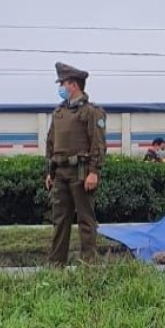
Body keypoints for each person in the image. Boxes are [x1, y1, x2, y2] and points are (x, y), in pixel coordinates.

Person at [46, 62, 107, 267]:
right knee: (60, 221)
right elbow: (51, 143)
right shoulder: (59, 113)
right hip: (60, 173)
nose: (60, 87)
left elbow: (97, 144)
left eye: (63, 83)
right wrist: (50, 172)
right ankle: (56, 265)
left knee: (86, 221)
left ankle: (89, 265)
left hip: (81, 173)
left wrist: (94, 172)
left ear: (73, 85)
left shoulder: (91, 112)